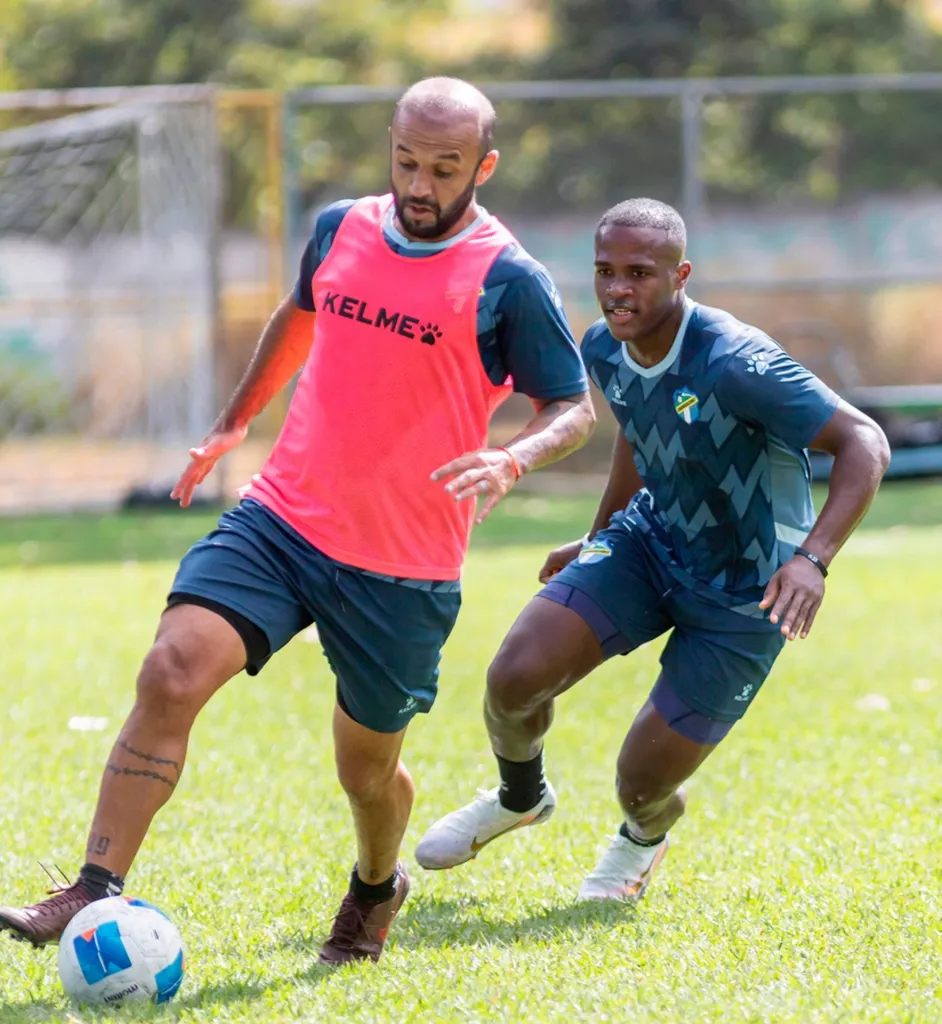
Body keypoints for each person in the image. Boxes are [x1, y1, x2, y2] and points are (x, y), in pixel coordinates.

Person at [0, 78, 595, 962]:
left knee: (364, 770)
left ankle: (374, 884)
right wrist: (233, 422)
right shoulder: (342, 227)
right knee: (171, 671)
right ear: (388, 146)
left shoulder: (507, 279)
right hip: (283, 519)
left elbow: (573, 405)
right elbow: (301, 313)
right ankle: (92, 889)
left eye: (444, 168)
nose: (421, 186)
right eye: (407, 162)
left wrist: (513, 456)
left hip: (402, 565)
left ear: (483, 166)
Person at [416, 198, 890, 902]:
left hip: (747, 588)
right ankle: (521, 797)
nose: (617, 290)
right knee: (514, 677)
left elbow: (865, 442)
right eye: (606, 271)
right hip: (651, 542)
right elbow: (642, 435)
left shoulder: (736, 362)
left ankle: (643, 838)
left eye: (638, 273)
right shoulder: (603, 347)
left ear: (680, 275)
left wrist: (812, 559)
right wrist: (600, 536)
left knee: (641, 783)